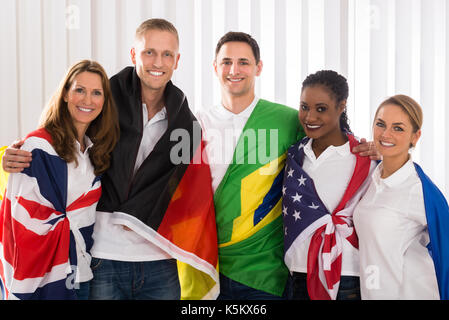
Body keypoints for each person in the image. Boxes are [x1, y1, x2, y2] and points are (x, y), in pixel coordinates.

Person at [1, 19, 219, 300]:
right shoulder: (104, 99)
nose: (158, 61)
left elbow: (190, 188)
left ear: (177, 61)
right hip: (103, 256)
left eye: (167, 54)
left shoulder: (187, 124)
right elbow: (60, 137)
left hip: (159, 257)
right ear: (133, 55)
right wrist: (9, 156)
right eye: (149, 52)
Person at [0, 60, 120, 300]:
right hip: (43, 279)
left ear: (104, 101)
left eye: (97, 93)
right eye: (79, 90)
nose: (88, 100)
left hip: (82, 272)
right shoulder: (39, 146)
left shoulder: (94, 151)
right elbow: (18, 219)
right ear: (65, 93)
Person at [282, 70, 377, 300]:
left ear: (341, 106)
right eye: (304, 107)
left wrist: (386, 153)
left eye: (321, 109)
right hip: (299, 272)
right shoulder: (295, 155)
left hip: (346, 275)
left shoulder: (364, 157)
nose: (309, 117)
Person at [353, 95, 449, 300]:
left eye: (398, 128)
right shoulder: (372, 176)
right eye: (380, 124)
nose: (386, 134)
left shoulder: (417, 190)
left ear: (415, 136)